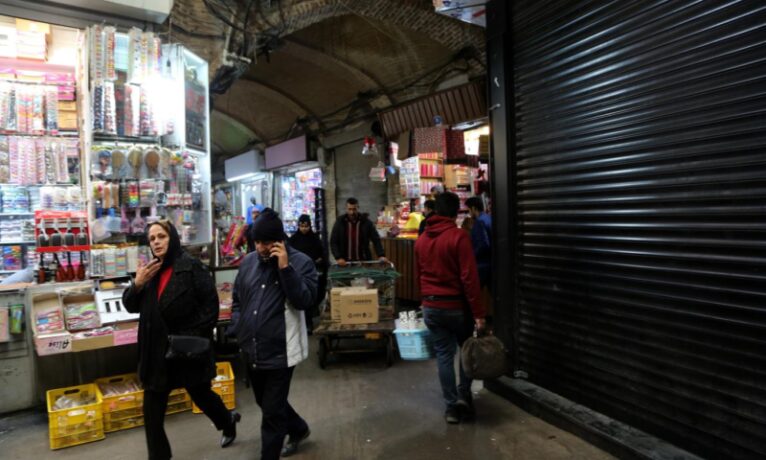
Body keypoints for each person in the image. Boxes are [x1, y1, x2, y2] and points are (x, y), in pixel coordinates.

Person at [123, 219, 240, 460]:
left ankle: (227, 421)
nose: (156, 242)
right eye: (152, 239)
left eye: (161, 236)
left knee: (202, 395)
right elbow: (130, 306)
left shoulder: (191, 267)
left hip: (184, 350)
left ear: (172, 237)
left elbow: (210, 308)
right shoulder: (150, 271)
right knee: (152, 416)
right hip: (156, 355)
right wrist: (137, 283)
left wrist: (188, 339)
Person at [229, 209, 317, 459]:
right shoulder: (248, 263)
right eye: (256, 242)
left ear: (279, 240)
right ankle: (298, 428)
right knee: (266, 403)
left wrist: (285, 268)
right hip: (252, 347)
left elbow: (305, 300)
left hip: (282, 350)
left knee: (271, 414)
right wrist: (238, 326)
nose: (260, 247)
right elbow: (237, 300)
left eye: (266, 242)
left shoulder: (301, 263)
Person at [414, 192, 486, 424]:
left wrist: (423, 300)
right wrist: (478, 313)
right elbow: (469, 278)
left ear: (435, 211)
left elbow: (419, 274)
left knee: (444, 356)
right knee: (465, 350)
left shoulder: (422, 239)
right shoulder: (459, 237)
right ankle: (464, 396)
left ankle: (451, 407)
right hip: (455, 306)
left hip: (431, 306)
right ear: (456, 212)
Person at [288, 214, 327, 333]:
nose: (304, 228)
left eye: (306, 226)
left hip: (312, 274)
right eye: (301, 226)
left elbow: (322, 254)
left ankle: (308, 323)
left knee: (310, 298)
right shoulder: (293, 240)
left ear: (310, 226)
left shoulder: (315, 239)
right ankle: (303, 324)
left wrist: (319, 261)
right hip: (298, 274)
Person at [330, 197, 387, 266]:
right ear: (346, 208)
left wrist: (381, 255)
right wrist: (338, 257)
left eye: (354, 209)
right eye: (349, 209)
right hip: (345, 262)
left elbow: (376, 240)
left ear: (358, 208)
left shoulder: (366, 222)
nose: (352, 212)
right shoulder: (340, 222)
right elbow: (333, 241)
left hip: (363, 261)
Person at [465, 196, 492, 288]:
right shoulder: (488, 218)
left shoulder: (479, 222)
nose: (469, 213)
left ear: (473, 208)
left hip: (482, 264)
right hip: (490, 263)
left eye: (468, 210)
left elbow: (483, 245)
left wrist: (471, 256)